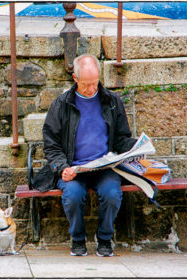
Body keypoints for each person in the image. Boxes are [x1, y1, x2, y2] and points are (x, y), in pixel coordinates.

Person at [42, 54, 137, 257]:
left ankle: (104, 239)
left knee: (112, 194)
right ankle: (77, 240)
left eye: (95, 83)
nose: (91, 89)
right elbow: (51, 145)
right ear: (75, 79)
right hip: (73, 168)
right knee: (73, 196)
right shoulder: (61, 105)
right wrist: (62, 167)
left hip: (104, 167)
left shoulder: (111, 101)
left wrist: (138, 147)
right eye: (86, 84)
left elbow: (121, 139)